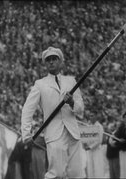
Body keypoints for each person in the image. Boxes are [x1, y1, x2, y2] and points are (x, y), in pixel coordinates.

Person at [21, 46, 85, 179]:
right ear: (45, 64)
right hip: (54, 134)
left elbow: (80, 109)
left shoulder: (71, 81)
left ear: (61, 62)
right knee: (57, 173)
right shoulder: (40, 84)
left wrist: (72, 102)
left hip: (73, 133)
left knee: (76, 173)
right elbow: (27, 109)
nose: (51, 62)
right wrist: (26, 134)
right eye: (48, 60)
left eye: (54, 59)